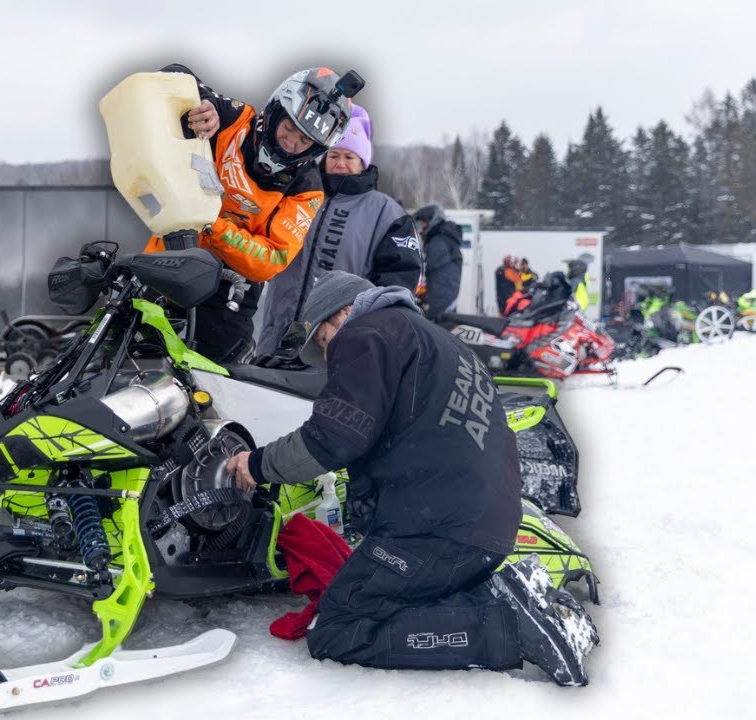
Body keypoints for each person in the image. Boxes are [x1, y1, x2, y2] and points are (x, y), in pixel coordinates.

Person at [225, 271, 599, 685]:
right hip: (483, 524)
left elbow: (334, 437)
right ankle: (523, 601)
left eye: (323, 340)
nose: (328, 354)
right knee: (395, 599)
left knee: (340, 626)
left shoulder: (365, 332)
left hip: (436, 528)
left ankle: (506, 623)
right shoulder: (435, 340)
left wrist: (257, 465)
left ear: (344, 313)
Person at [144, 64, 355, 363]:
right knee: (116, 358)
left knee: (217, 387)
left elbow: (270, 260)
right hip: (163, 264)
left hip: (227, 295)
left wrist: (208, 222)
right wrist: (205, 105)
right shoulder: (235, 120)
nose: (292, 143)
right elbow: (172, 73)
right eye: (290, 128)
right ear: (275, 112)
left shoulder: (307, 189)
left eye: (305, 140)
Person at [255, 103, 421, 357]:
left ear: (363, 162)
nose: (340, 163)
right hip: (277, 329)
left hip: (334, 341)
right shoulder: (300, 195)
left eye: (349, 157)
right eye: (334, 156)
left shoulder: (386, 213)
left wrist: (365, 325)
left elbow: (398, 283)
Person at [413, 204, 463, 319]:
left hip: (441, 299)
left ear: (432, 221)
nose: (421, 228)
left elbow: (423, 264)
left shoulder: (439, 241)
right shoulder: (443, 237)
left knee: (439, 326)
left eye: (422, 224)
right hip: (442, 296)